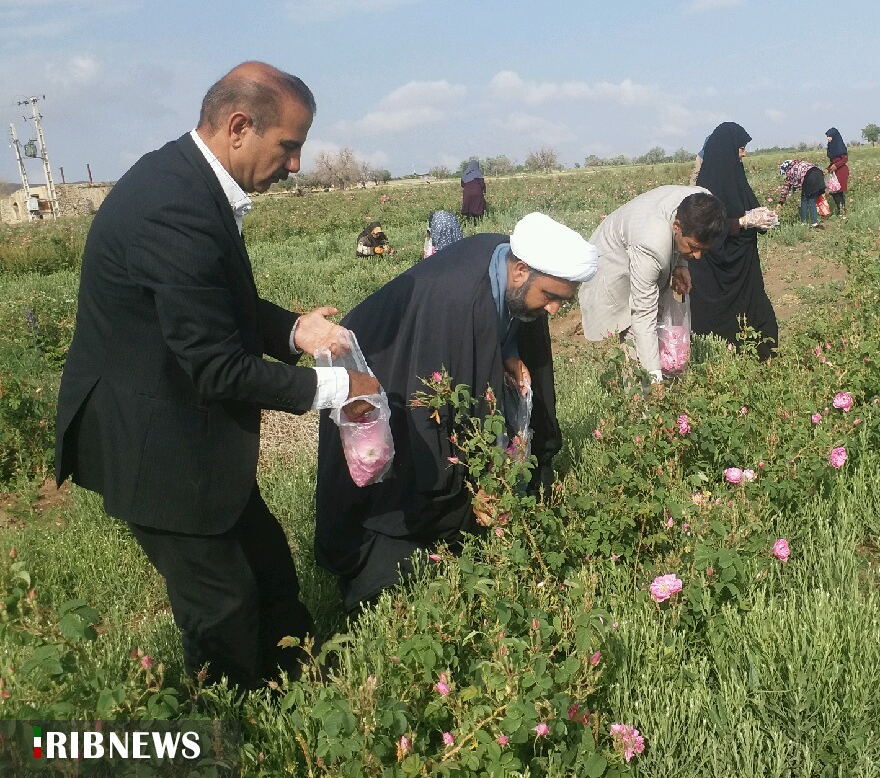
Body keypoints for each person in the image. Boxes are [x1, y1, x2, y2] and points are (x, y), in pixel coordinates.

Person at [54, 61, 379, 690]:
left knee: (268, 567)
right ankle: (230, 735)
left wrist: (292, 332)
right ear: (239, 127)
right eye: (289, 145)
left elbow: (213, 302)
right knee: (221, 605)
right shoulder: (174, 206)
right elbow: (216, 367)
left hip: (180, 424)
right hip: (152, 442)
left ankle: (300, 684)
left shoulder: (189, 182)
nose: (295, 166)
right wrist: (338, 389)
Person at [315, 213, 597, 613]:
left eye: (562, 301)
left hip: (426, 345)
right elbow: (442, 398)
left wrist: (509, 351)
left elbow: (497, 325)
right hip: (382, 364)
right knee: (407, 471)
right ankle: (384, 586)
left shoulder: (507, 262)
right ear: (520, 271)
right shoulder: (458, 301)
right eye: (551, 296)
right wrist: (477, 481)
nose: (554, 309)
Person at [579, 186, 727, 383]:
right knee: (634, 328)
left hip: (643, 241)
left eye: (703, 249)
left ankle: (663, 378)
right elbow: (643, 314)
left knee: (659, 326)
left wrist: (681, 263)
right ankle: (642, 397)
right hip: (612, 260)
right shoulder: (651, 245)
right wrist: (654, 378)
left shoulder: (705, 205)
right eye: (693, 248)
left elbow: (684, 241)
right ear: (676, 227)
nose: (698, 256)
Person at [688, 122, 780, 360]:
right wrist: (742, 222)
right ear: (726, 148)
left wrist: (761, 218)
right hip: (714, 267)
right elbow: (707, 227)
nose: (744, 153)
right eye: (740, 147)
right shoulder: (706, 188)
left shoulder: (736, 176)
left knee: (756, 312)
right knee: (716, 320)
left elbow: (746, 209)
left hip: (743, 264)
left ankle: (760, 356)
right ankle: (715, 358)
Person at [772, 159, 827, 227]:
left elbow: (786, 188)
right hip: (819, 174)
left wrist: (781, 202)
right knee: (812, 199)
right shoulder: (801, 163)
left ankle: (805, 222)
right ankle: (814, 222)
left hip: (810, 177)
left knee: (805, 199)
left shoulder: (791, 170)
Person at [825, 127, 849, 217]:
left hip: (842, 171)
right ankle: (840, 209)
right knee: (833, 191)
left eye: (829, 136)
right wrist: (828, 168)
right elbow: (833, 161)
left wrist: (836, 166)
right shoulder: (831, 146)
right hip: (834, 172)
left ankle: (842, 211)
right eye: (827, 136)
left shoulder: (840, 146)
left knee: (839, 191)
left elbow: (844, 159)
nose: (828, 138)